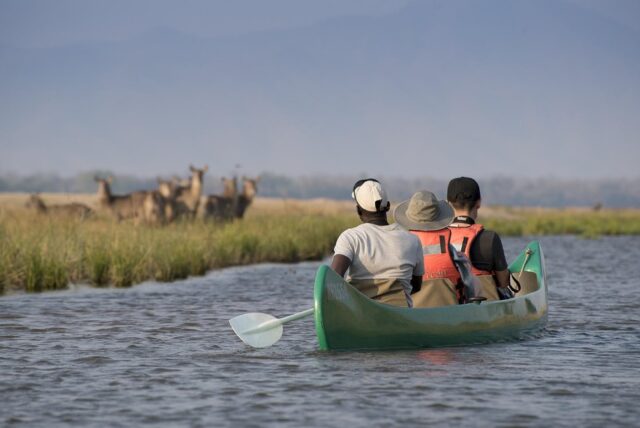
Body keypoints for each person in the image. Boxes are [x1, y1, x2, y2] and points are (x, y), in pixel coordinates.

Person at [331, 178, 424, 307]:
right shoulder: (412, 239)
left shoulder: (351, 237)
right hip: (400, 316)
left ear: (358, 210)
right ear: (388, 206)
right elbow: (417, 286)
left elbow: (333, 280)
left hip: (359, 314)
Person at [446, 177, 513, 300]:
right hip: (485, 308)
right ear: (479, 203)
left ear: (449, 204)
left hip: (448, 305)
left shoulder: (439, 238)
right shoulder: (490, 238)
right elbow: (504, 283)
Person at [393, 190, 461, 307]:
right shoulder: (452, 251)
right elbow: (469, 284)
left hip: (411, 312)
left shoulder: (399, 247)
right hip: (449, 311)